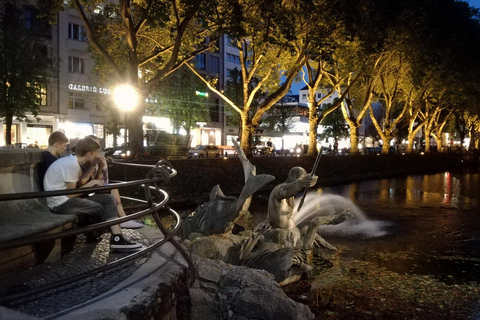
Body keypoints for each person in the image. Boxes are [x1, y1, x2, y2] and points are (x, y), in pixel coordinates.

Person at [43, 137, 141, 251]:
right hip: (60, 204)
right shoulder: (71, 165)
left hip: (64, 200)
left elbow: (75, 189)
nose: (97, 155)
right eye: (96, 153)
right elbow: (70, 195)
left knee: (109, 199)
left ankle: (117, 238)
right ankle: (116, 237)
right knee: (102, 208)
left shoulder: (72, 161)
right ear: (89, 154)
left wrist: (96, 167)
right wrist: (93, 183)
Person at [78, 135, 144, 229]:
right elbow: (84, 182)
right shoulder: (84, 162)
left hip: (93, 188)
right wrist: (95, 166)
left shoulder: (93, 161)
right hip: (86, 191)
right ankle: (123, 220)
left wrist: (101, 167)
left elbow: (100, 178)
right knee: (112, 190)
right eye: (97, 150)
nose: (99, 152)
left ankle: (123, 219)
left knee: (113, 188)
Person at [267, 166, 317, 246]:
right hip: (281, 234)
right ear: (294, 178)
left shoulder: (291, 194)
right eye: (301, 179)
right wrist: (300, 184)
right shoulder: (279, 189)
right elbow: (284, 191)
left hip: (291, 231)